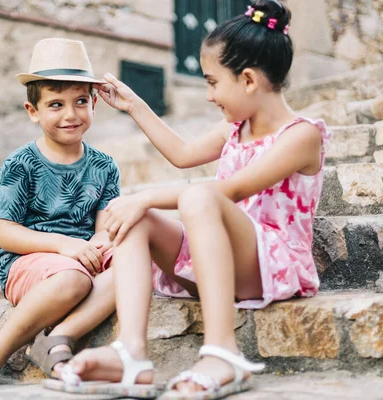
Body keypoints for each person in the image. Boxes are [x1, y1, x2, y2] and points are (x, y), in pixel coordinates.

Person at [45, 1, 332, 399]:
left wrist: (147, 197)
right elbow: (181, 154)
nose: (210, 95)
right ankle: (131, 353)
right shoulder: (236, 128)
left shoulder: (301, 136)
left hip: (270, 264)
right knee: (136, 218)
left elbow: (227, 192)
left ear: (248, 80)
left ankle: (222, 352)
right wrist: (134, 106)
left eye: (213, 82)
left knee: (197, 196)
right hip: (220, 256)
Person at [0, 38, 123, 391]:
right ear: (33, 111)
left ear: (94, 104)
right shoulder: (21, 165)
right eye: (55, 104)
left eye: (81, 101)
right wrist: (65, 247)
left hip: (82, 258)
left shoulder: (104, 166)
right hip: (31, 262)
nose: (70, 114)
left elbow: (103, 227)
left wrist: (99, 242)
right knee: (74, 279)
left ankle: (59, 338)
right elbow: (7, 233)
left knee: (134, 261)